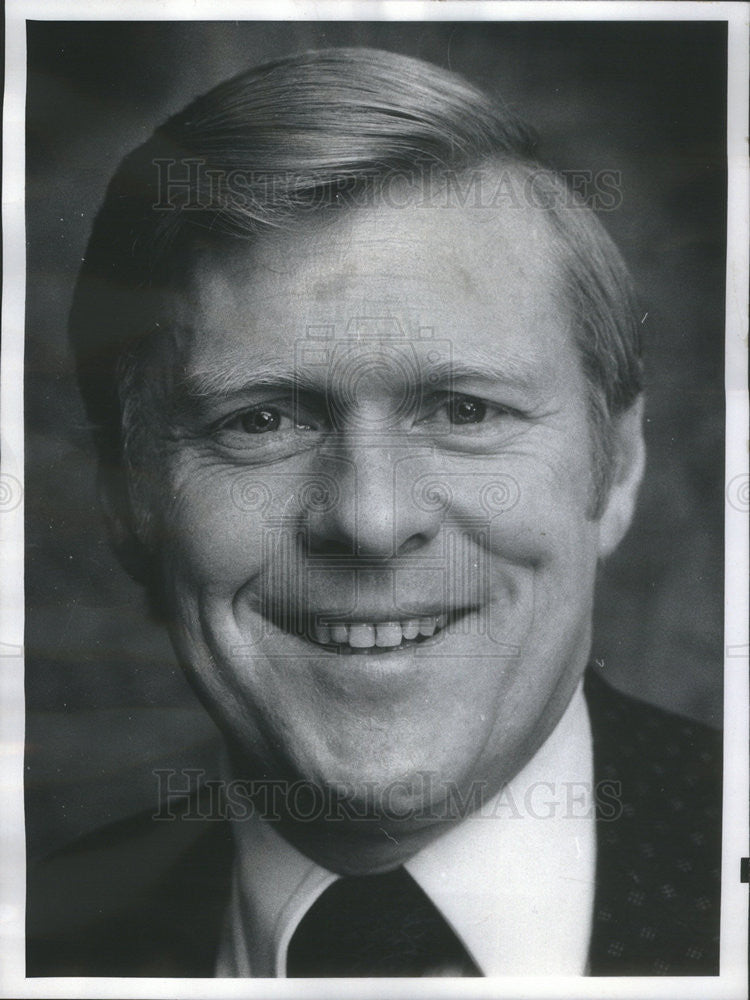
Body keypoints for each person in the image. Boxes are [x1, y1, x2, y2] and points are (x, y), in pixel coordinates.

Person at [26, 46, 721, 978]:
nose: (371, 518)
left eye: (464, 410)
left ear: (618, 463)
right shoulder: (41, 943)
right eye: (260, 420)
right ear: (126, 500)